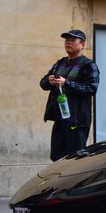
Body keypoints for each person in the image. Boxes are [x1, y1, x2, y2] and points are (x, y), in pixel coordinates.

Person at [40, 30, 99, 161]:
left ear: (82, 44)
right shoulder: (60, 63)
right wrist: (49, 81)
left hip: (76, 121)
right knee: (56, 156)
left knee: (75, 158)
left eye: (73, 40)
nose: (68, 42)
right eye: (67, 40)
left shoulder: (88, 65)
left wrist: (67, 83)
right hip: (60, 118)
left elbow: (91, 88)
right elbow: (43, 83)